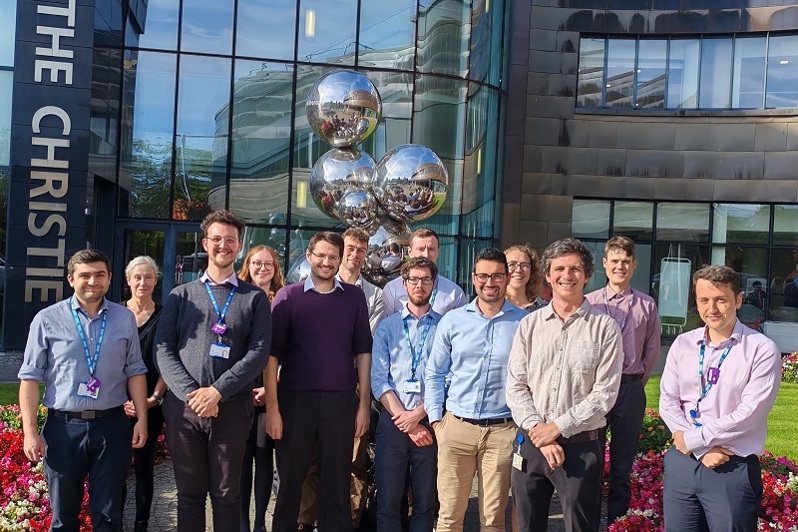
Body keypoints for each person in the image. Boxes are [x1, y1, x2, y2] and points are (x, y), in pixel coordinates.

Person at [155, 210, 272, 532]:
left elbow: (259, 352)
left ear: (239, 246)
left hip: (232, 409)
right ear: (206, 243)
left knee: (226, 494)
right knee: (190, 495)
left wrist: (217, 392)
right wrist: (194, 395)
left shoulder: (254, 298)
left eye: (230, 240)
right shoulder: (181, 295)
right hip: (184, 410)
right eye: (217, 239)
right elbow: (163, 348)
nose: (224, 245)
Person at [18, 249, 149, 531]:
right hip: (63, 428)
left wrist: (141, 419)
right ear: (71, 279)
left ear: (110, 278)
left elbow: (135, 370)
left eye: (99, 274)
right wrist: (29, 432)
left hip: (111, 427)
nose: (93, 281)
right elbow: (29, 378)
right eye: (85, 275)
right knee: (63, 518)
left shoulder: (124, 318)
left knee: (109, 516)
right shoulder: (47, 319)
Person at [506, 237, 623, 532]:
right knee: (527, 524)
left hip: (581, 447)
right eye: (559, 268)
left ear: (586, 275)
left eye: (575, 269)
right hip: (531, 444)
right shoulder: (529, 326)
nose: (566, 276)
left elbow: (604, 394)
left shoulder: (605, 328)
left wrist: (556, 428)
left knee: (580, 527)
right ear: (547, 274)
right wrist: (540, 433)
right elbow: (516, 386)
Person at [659, 265, 781, 532]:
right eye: (704, 300)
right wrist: (699, 448)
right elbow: (668, 400)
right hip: (683, 463)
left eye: (721, 299)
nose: (711, 308)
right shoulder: (683, 344)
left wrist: (691, 440)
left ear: (738, 300)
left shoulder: (761, 349)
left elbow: (750, 414)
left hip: (731, 467)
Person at [265, 231, 372, 532]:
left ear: (340, 260)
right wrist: (273, 409)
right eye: (321, 255)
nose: (327, 262)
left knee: (337, 485)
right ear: (309, 256)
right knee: (290, 484)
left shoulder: (354, 297)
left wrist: (363, 405)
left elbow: (363, 352)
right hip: (295, 403)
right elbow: (271, 358)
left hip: (340, 404)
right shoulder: (288, 297)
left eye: (333, 257)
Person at [425, 248, 527, 532]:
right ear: (474, 278)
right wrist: (436, 420)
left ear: (507, 278)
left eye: (496, 276)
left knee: (493, 520)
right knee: (449, 517)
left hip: (503, 432)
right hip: (456, 428)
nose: (489, 282)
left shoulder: (525, 323)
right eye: (483, 276)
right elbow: (434, 373)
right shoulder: (453, 321)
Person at [297, 228, 386, 530]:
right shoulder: (309, 289)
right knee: (311, 461)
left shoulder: (373, 295)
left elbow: (365, 343)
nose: (355, 254)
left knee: (351, 463)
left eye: (362, 249)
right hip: (313, 388)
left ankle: (348, 521)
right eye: (350, 247)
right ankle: (305, 522)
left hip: (353, 387)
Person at [584, 236, 661, 524]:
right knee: (590, 459)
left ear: (633, 265)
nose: (620, 266)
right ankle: (589, 522)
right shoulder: (589, 303)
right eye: (614, 261)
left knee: (622, 463)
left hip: (629, 387)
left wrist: (635, 383)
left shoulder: (647, 305)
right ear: (605, 264)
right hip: (593, 389)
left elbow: (652, 350)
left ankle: (617, 522)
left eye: (625, 262)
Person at [371, 257, 441, 532]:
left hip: (430, 422)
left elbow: (447, 379)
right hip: (392, 423)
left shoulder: (445, 326)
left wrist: (417, 416)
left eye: (425, 279)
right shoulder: (387, 327)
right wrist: (405, 419)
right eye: (414, 279)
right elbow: (379, 379)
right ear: (404, 283)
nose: (419, 284)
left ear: (433, 284)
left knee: (426, 504)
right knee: (387, 503)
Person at [237, 245, 284, 532]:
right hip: (240, 390)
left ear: (275, 269)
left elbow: (289, 350)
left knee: (264, 457)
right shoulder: (237, 297)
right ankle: (242, 523)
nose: (263, 268)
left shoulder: (283, 300)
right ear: (248, 265)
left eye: (269, 264)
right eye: (257, 263)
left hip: (272, 392)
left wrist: (271, 388)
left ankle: (258, 524)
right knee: (241, 460)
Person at [123, 256, 168, 532]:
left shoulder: (165, 316)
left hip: (152, 403)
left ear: (155, 280)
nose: (143, 282)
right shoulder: (113, 314)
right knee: (115, 469)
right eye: (137, 277)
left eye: (148, 277)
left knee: (143, 467)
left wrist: (154, 398)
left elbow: (169, 360)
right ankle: (115, 520)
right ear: (128, 280)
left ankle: (141, 524)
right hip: (117, 405)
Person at [383, 228, 467, 315]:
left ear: (438, 253)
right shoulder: (392, 290)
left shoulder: (455, 294)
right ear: (410, 252)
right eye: (420, 249)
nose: (426, 254)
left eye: (431, 249)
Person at [504, 244, 547, 312]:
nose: (518, 270)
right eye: (512, 264)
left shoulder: (543, 309)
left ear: (531, 271)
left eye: (525, 265)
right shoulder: (494, 306)